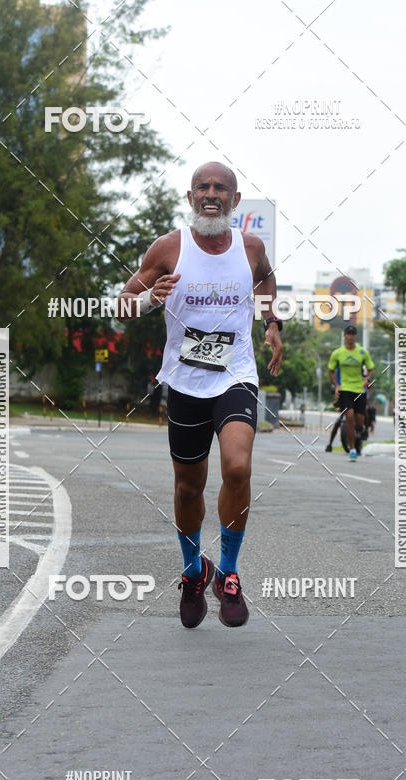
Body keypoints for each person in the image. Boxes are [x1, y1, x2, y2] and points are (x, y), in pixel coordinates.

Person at [116, 161, 283, 628]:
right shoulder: (168, 248)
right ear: (190, 197)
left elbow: (265, 279)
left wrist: (271, 324)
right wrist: (152, 298)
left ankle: (227, 573)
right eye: (202, 188)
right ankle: (194, 572)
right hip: (186, 382)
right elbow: (122, 306)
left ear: (234, 199)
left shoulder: (251, 247)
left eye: (221, 188)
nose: (211, 194)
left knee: (238, 466)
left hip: (235, 375)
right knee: (189, 485)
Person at [327, 325, 374, 461]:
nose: (351, 336)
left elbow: (371, 369)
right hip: (345, 389)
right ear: (344, 336)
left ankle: (359, 434)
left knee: (359, 422)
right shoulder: (337, 353)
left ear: (356, 336)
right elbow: (330, 370)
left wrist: (367, 379)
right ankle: (352, 449)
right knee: (349, 416)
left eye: (353, 334)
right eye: (348, 333)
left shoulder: (362, 352)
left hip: (359, 389)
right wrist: (336, 385)